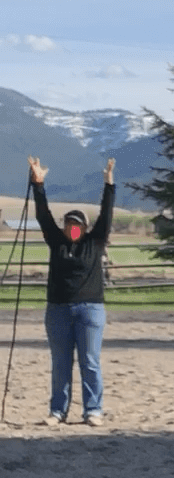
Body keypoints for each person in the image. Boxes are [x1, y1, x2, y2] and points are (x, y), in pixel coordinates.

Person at [27, 156, 115, 427]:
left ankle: (93, 410)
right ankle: (58, 411)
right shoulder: (56, 242)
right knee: (61, 364)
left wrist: (108, 182)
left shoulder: (95, 241)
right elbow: (43, 214)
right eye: (68, 224)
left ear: (85, 227)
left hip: (90, 310)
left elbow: (107, 211)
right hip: (58, 310)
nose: (72, 228)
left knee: (89, 362)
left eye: (76, 224)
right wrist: (37, 183)